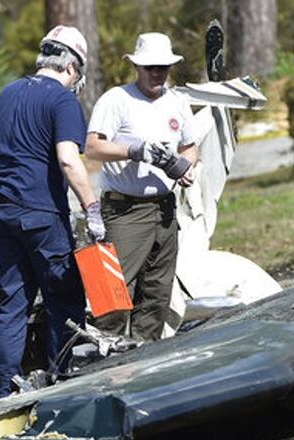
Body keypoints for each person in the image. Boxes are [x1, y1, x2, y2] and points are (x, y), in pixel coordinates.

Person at [0, 25, 104, 398]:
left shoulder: (8, 93)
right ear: (71, 66)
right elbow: (68, 160)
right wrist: (92, 207)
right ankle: (63, 384)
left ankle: (2, 391)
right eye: (78, 76)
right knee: (64, 299)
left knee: (12, 302)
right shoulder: (63, 100)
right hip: (39, 211)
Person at [85, 32, 197, 341]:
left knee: (157, 296)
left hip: (164, 210)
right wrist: (134, 151)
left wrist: (186, 166)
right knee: (113, 297)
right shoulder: (116, 99)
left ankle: (144, 358)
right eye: (151, 67)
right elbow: (92, 147)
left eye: (163, 67)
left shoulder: (178, 102)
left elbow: (190, 146)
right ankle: (104, 361)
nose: (158, 73)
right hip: (124, 210)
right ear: (137, 67)